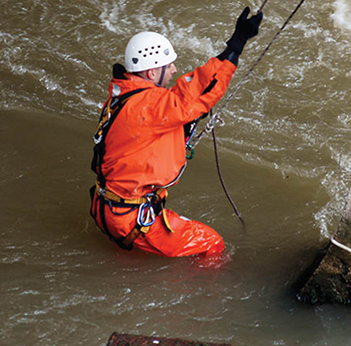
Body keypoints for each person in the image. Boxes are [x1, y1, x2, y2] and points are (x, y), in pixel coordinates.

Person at [90, 7, 262, 259]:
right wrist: (237, 43)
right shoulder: (149, 105)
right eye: (168, 66)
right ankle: (202, 296)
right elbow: (204, 87)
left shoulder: (121, 96)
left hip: (107, 208)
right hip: (127, 218)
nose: (173, 71)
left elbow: (149, 132)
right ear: (151, 73)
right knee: (213, 244)